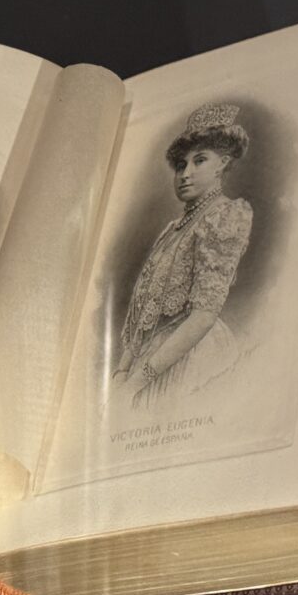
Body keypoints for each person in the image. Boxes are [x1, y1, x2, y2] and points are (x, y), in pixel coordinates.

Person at [115, 102, 253, 408]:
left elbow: (204, 316)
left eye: (199, 161)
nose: (185, 174)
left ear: (222, 164)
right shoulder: (172, 229)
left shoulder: (226, 216)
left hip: (191, 354)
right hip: (149, 358)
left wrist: (136, 381)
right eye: (181, 165)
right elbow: (144, 312)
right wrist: (121, 372)